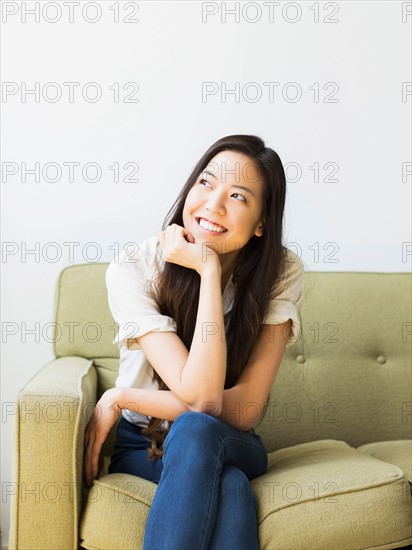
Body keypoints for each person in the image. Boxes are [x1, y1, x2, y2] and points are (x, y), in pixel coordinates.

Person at [83, 134, 305, 550]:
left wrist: (121, 397)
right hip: (145, 444)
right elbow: (204, 400)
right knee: (232, 485)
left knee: (199, 428)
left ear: (262, 223)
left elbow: (236, 407)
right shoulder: (135, 267)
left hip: (232, 437)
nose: (213, 204)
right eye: (206, 183)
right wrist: (207, 270)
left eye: (238, 196)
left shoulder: (282, 271)